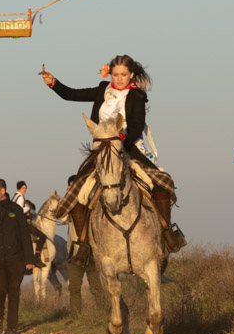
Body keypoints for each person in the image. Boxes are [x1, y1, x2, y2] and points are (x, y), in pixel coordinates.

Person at [39, 55, 183, 254]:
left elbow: (137, 126)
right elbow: (71, 94)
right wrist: (53, 83)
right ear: (111, 74)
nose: (119, 78)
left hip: (129, 146)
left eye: (123, 74)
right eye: (115, 75)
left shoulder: (137, 95)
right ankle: (82, 244)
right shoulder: (103, 90)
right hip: (101, 149)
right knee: (76, 192)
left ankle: (167, 231)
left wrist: (120, 141)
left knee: (161, 181)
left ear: (131, 74)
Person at [0, 178, 37, 334]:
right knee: (0, 289)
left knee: (14, 291)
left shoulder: (16, 209)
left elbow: (24, 235)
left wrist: (30, 260)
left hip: (16, 258)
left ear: (2, 191)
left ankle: (12, 327)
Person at [63, 175, 106, 318]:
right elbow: (60, 216)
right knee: (74, 287)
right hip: (74, 253)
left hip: (90, 252)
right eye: (71, 187)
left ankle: (103, 313)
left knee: (95, 286)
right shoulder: (69, 208)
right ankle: (75, 317)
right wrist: (68, 198)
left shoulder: (90, 205)